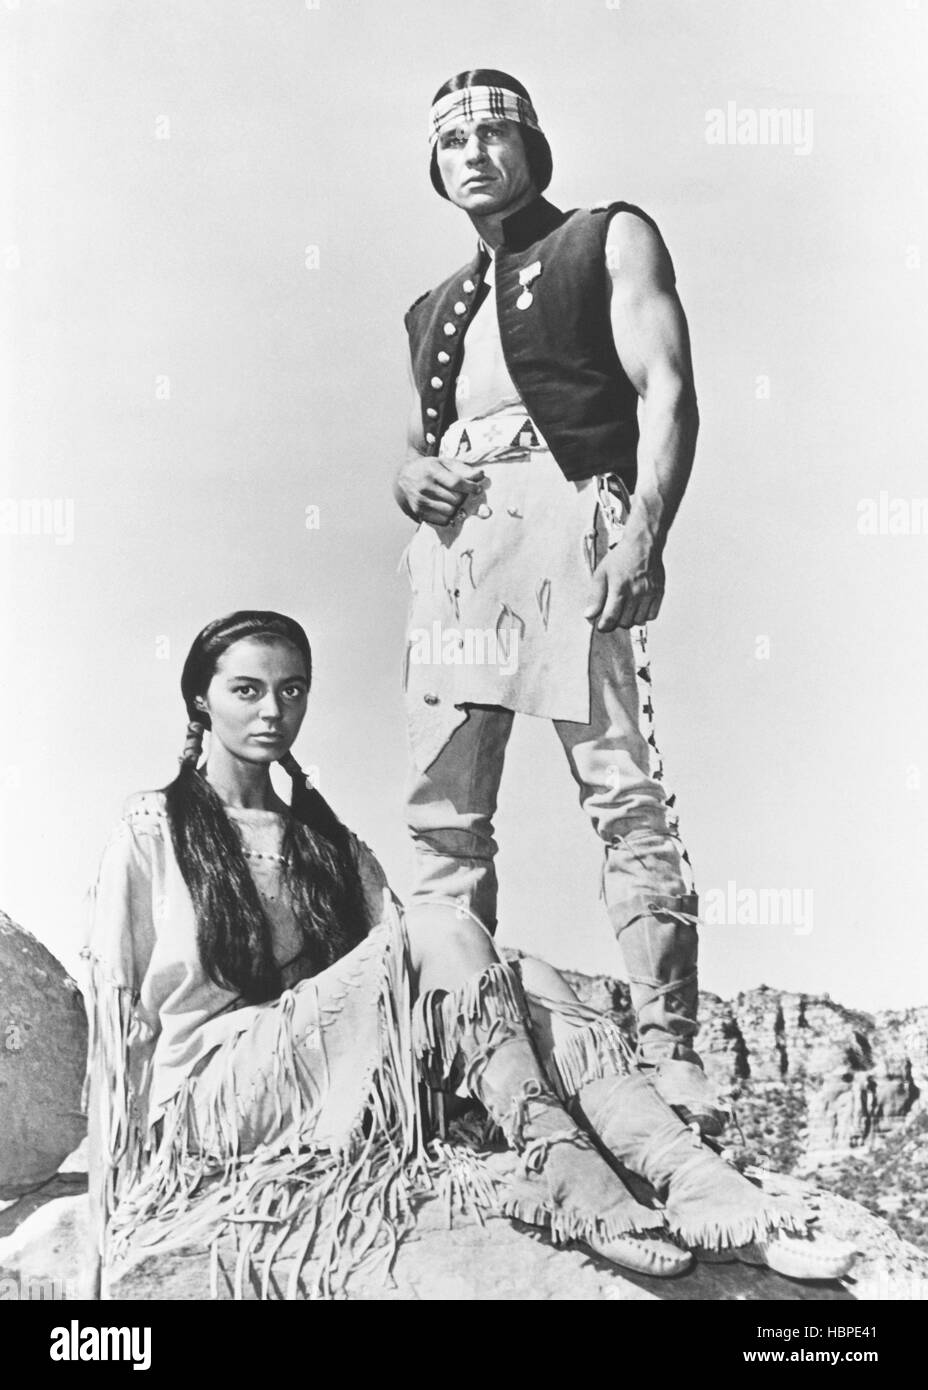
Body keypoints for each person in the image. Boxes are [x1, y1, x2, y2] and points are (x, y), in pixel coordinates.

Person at [82, 611, 853, 1299]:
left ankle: (694, 1181)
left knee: (525, 975)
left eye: (292, 690)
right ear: (201, 700)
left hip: (328, 1091)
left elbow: (414, 998)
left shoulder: (331, 847)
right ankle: (567, 1170)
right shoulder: (154, 829)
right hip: (214, 1103)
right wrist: (108, 1216)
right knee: (442, 927)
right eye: (247, 690)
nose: (273, 710)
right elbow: (117, 1021)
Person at [395, 69, 718, 1133]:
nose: (474, 153)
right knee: (442, 819)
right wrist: (410, 478)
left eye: (494, 133)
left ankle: (668, 1050)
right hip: (458, 553)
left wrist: (642, 534)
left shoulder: (605, 237)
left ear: (532, 146)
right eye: (452, 141)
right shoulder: (431, 309)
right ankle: (467, 1062)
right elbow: (421, 443)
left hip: (572, 514)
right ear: (436, 167)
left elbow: (666, 389)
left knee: (622, 789)